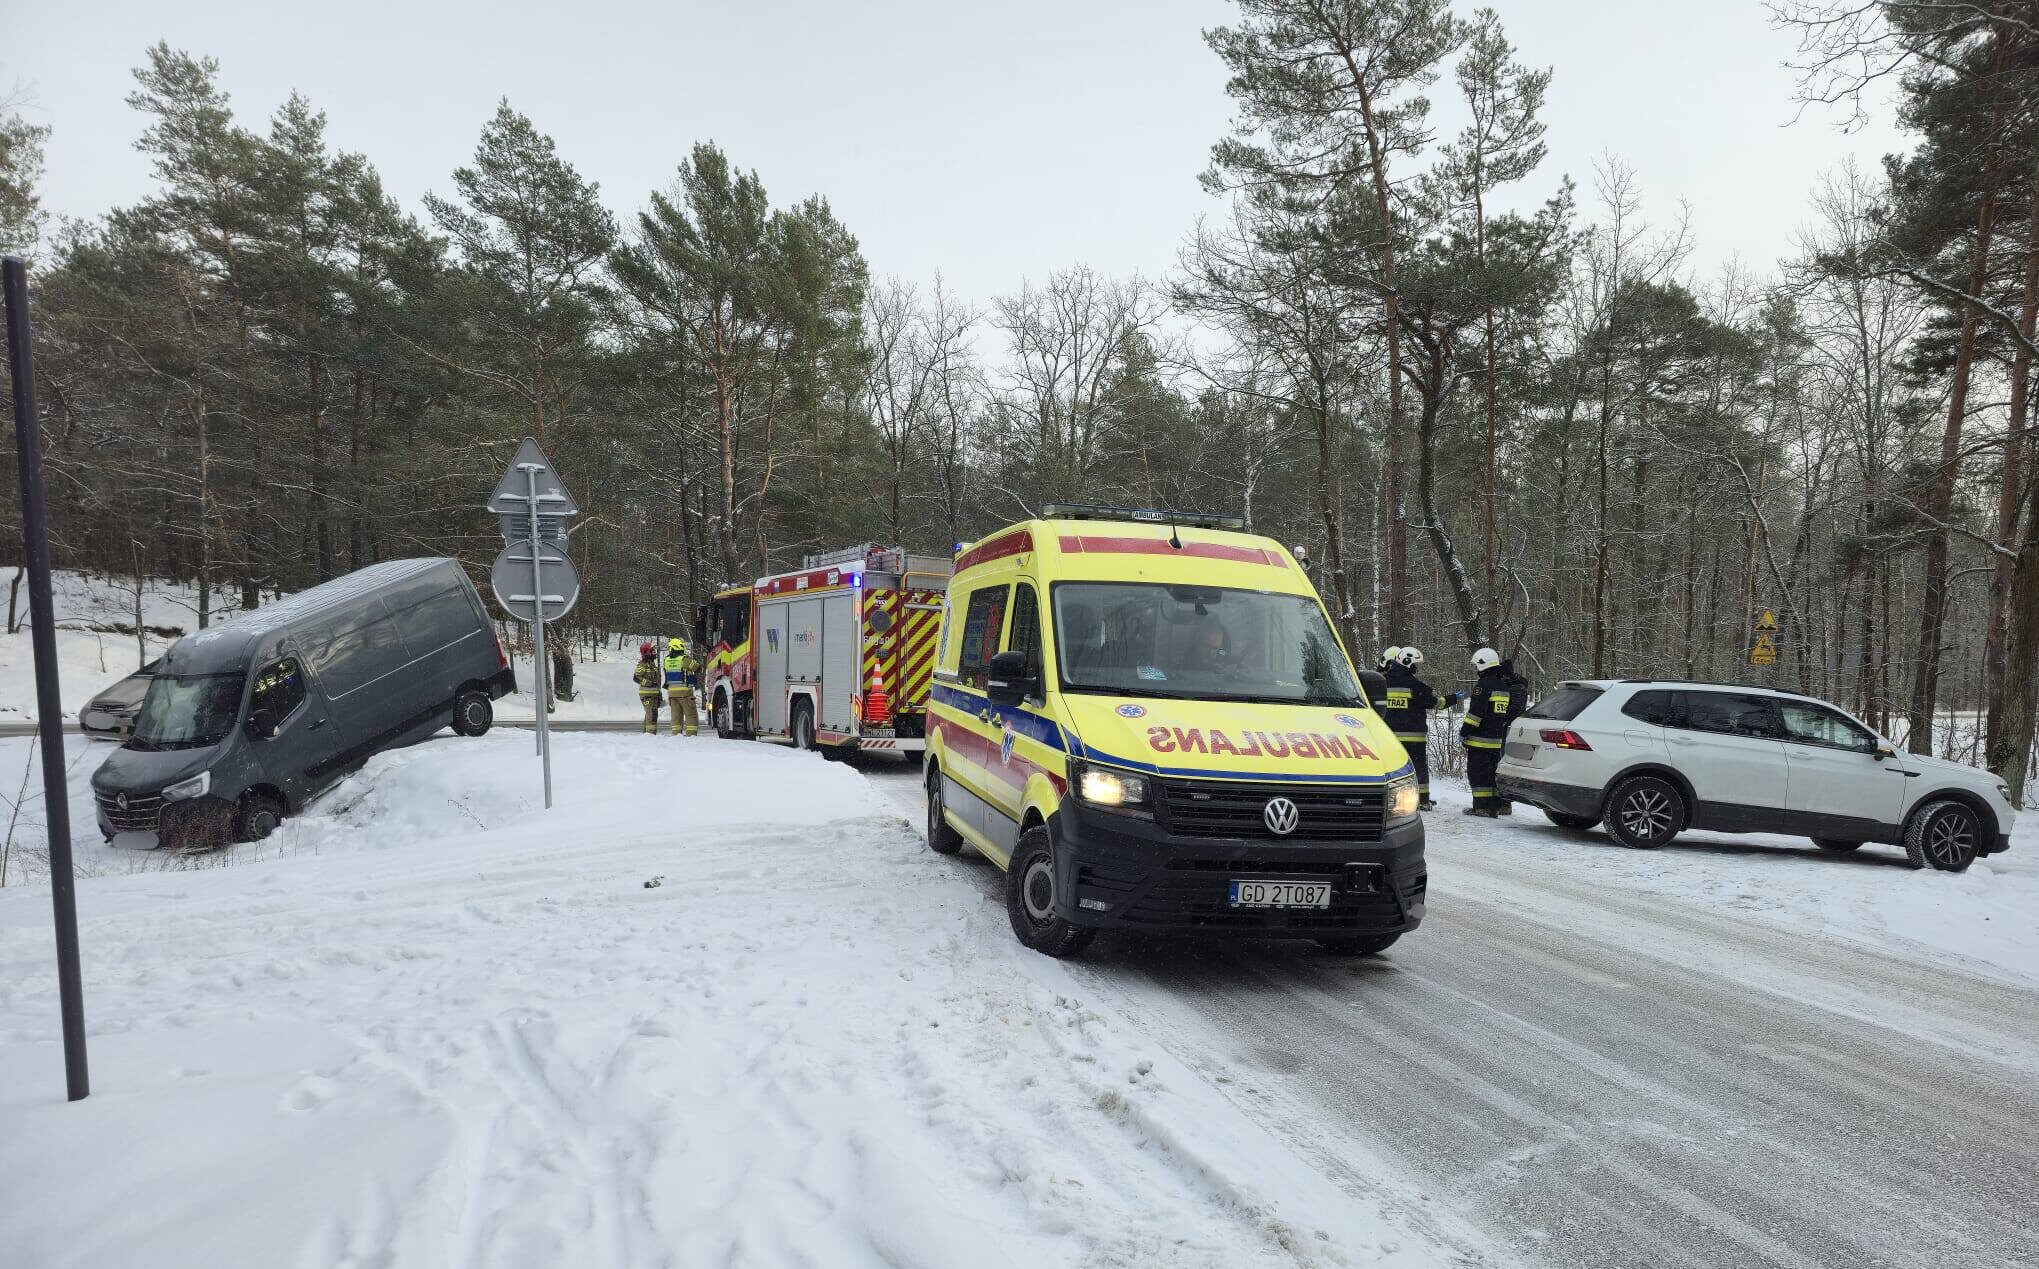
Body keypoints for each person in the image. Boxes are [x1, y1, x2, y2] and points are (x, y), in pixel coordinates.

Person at [1382, 647, 1461, 812]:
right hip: (1414, 737)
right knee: (1418, 768)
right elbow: (1435, 703)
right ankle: (1422, 800)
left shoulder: (1382, 683)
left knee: (1392, 769)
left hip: (1388, 738)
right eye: (1415, 664)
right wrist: (1453, 698)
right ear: (1407, 662)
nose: (1416, 668)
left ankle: (1391, 800)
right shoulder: (1416, 686)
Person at [1460, 646, 1525, 817]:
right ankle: (1494, 806)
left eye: (1477, 665)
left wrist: (1464, 731)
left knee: (1478, 774)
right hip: (1496, 740)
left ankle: (1480, 807)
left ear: (1483, 664)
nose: (1476, 669)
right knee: (1491, 774)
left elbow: (1475, 714)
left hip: (1479, 740)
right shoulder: (1503, 686)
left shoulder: (1483, 686)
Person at [664, 637, 700, 737]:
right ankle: (691, 736)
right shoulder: (685, 659)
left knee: (676, 717)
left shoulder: (666, 660)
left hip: (672, 694)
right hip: (685, 694)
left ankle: (676, 736)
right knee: (691, 716)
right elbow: (697, 667)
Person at [634, 641, 663, 735]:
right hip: (647, 694)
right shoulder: (643, 664)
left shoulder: (652, 665)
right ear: (647, 652)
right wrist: (649, 683)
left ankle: (647, 734)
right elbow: (636, 677)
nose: (654, 653)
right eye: (653, 651)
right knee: (652, 714)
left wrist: (659, 694)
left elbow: (657, 682)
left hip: (654, 694)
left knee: (650, 713)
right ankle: (650, 734)